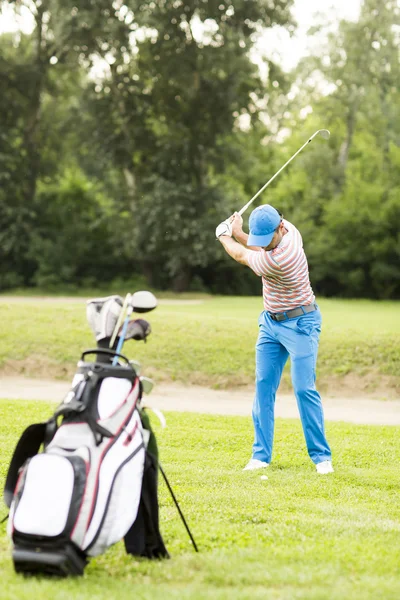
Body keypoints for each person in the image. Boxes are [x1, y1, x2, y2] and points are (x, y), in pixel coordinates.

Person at [215, 205, 333, 474]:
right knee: (263, 386)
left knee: (304, 388)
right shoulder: (288, 229)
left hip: (301, 323)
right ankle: (260, 456)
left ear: (280, 229)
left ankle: (321, 457)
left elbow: (241, 255)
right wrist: (240, 231)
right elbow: (255, 245)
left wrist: (224, 235)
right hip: (270, 324)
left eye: (267, 240)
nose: (264, 245)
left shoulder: (281, 258)